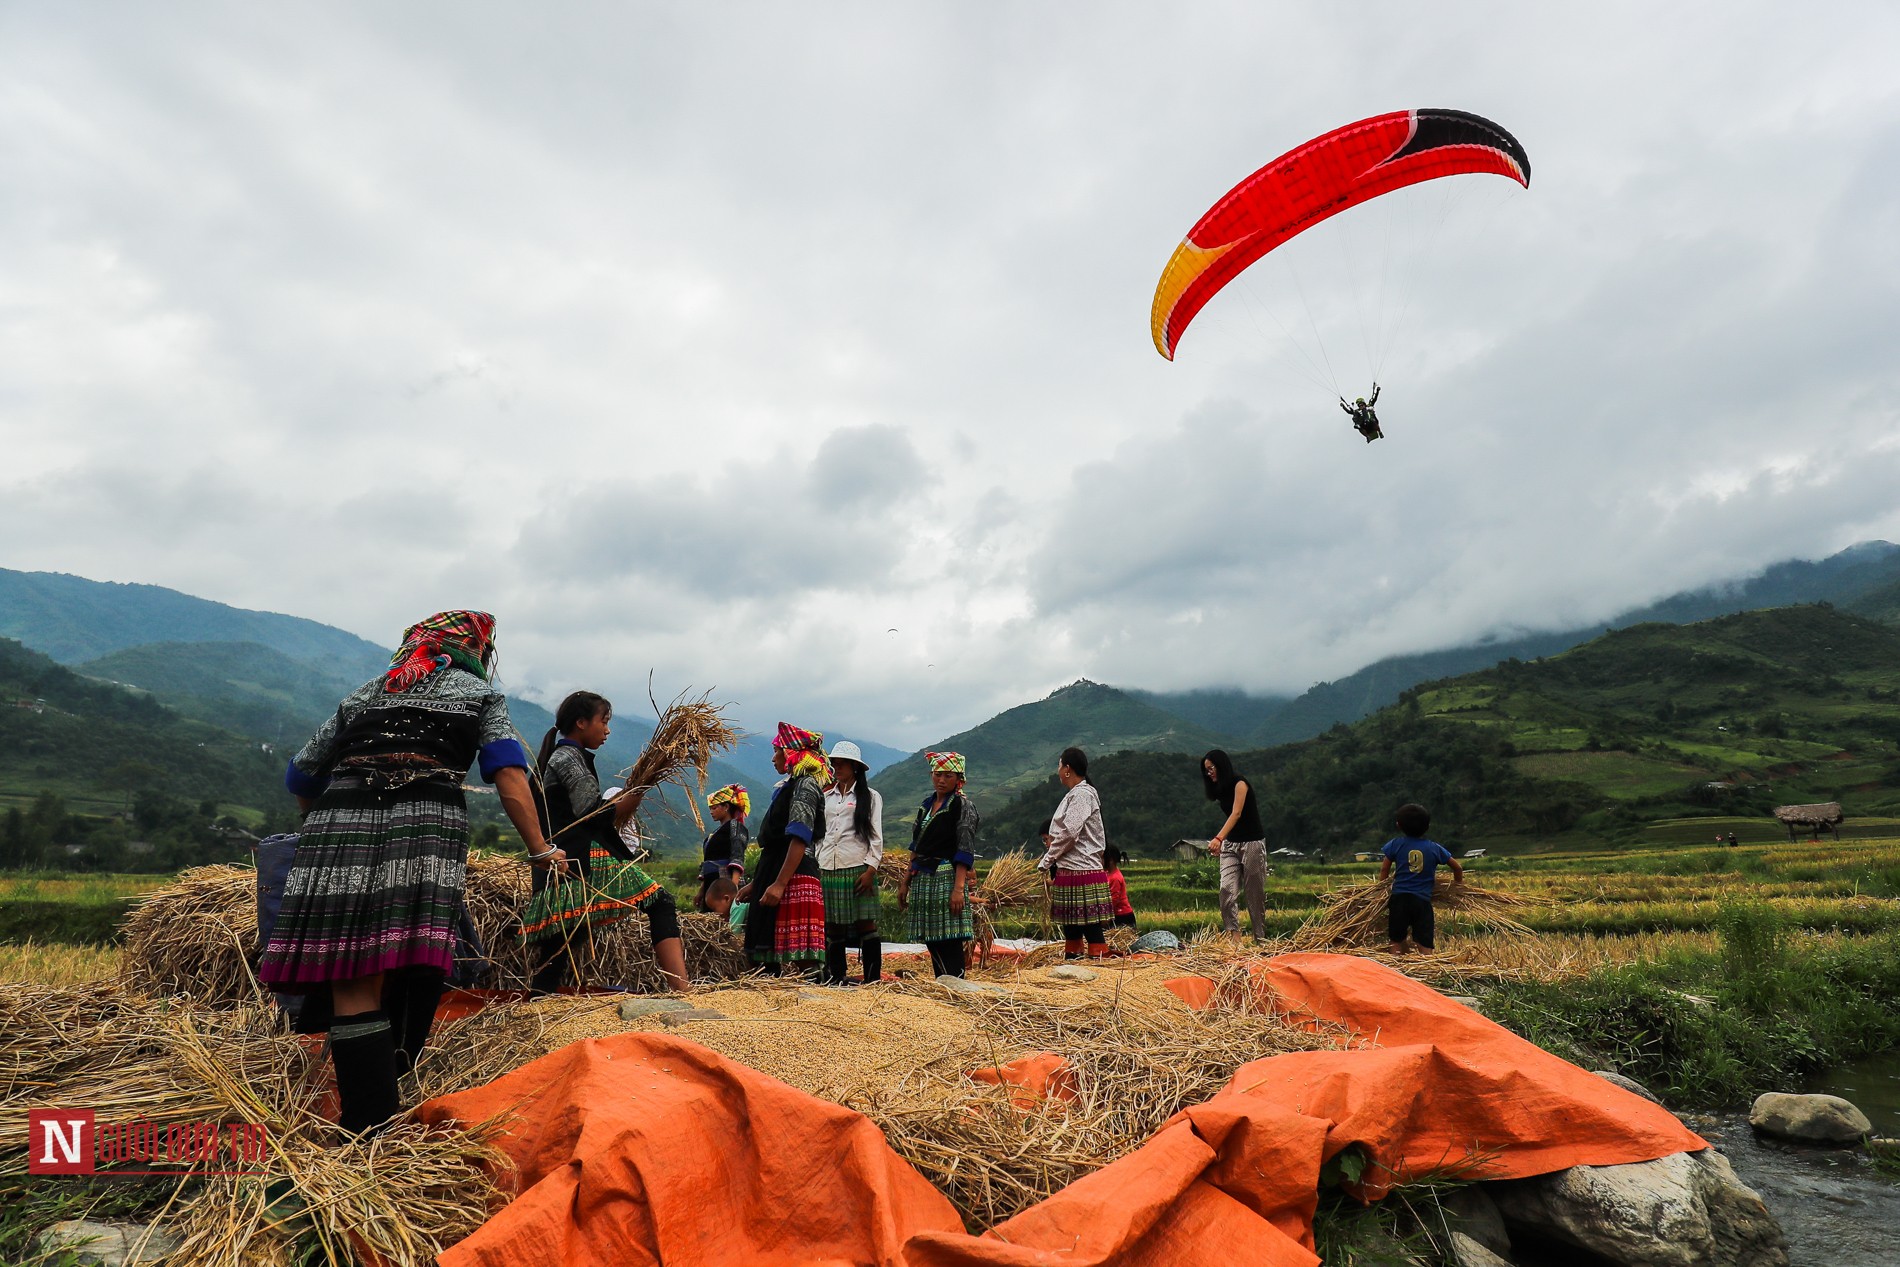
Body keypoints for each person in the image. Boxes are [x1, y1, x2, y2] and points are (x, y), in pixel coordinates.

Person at [260, 610, 563, 1136]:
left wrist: (320, 815)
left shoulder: (370, 690)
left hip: (339, 818)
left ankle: (364, 1124)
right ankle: (384, 1107)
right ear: (479, 648)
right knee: (408, 955)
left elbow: (301, 771)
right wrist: (540, 848)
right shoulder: (478, 692)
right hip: (422, 822)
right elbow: (509, 773)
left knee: (353, 975)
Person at [519, 691, 687, 994]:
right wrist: (631, 798)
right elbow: (592, 814)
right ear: (581, 722)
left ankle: (539, 996)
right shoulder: (569, 757)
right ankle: (681, 988)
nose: (607, 730)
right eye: (603, 722)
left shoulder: (561, 755)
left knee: (566, 935)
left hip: (565, 859)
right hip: (583, 858)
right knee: (660, 903)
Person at [739, 724, 830, 976]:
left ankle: (817, 1004)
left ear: (791, 753)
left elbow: (799, 837)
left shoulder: (806, 786)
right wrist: (758, 882)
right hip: (776, 869)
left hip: (794, 873)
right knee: (767, 950)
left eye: (777, 751)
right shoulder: (790, 786)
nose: (772, 757)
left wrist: (779, 883)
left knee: (801, 954)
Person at [898, 751, 977, 979]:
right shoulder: (926, 805)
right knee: (933, 939)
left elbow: (964, 848)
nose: (941, 780)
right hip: (923, 878)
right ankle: (941, 984)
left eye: (948, 775)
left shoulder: (962, 806)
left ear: (958, 778)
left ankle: (955, 988)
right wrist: (905, 881)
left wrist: (958, 889)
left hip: (946, 878)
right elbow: (916, 846)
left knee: (949, 939)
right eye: (937, 774)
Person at [819, 741, 885, 985]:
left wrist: (871, 868)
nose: (836, 767)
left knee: (865, 923)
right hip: (829, 865)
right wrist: (819, 858)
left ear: (855, 767)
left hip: (857, 866)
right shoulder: (826, 796)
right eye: (834, 763)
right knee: (833, 924)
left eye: (841, 763)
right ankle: (836, 977)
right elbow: (822, 833)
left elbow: (876, 835)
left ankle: (872, 979)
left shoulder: (870, 797)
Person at [1038, 747, 1111, 960]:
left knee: (1089, 926)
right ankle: (1074, 963)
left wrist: (1048, 859)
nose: (1058, 770)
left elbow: (1070, 833)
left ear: (1067, 769)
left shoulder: (1082, 794)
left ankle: (1099, 966)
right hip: (1072, 869)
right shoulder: (1075, 794)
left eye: (1059, 766)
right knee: (1072, 927)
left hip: (1082, 869)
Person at [1378, 802, 1464, 954]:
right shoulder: (1434, 847)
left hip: (1399, 899)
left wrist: (1382, 889)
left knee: (1396, 938)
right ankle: (1427, 964)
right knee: (1424, 939)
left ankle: (1395, 964)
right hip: (1422, 901)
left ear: (1398, 825)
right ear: (1428, 826)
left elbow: (1385, 868)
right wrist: (1457, 887)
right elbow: (1457, 867)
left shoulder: (1395, 844)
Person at [1201, 750, 1268, 939]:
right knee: (1226, 890)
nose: (1209, 773)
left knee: (1255, 894)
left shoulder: (1240, 783)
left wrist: (1218, 838)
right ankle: (1234, 939)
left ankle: (1260, 938)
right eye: (1206, 770)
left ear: (1221, 765)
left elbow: (1236, 813)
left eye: (1212, 768)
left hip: (1252, 843)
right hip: (1231, 845)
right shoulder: (1219, 789)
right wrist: (1224, 840)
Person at [696, 784, 750, 911]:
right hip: (712, 882)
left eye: (714, 808)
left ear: (726, 807)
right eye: (710, 808)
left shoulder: (735, 826)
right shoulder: (714, 834)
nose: (711, 811)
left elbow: (737, 855)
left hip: (724, 881)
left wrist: (733, 887)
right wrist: (701, 891)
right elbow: (709, 862)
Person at [1105, 846, 1137, 930]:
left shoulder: (1115, 878)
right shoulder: (1108, 874)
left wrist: (1105, 917)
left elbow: (1114, 900)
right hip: (1116, 915)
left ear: (1110, 860)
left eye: (1102, 858)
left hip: (1122, 916)